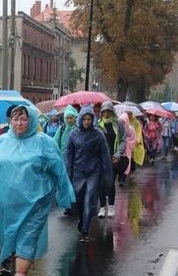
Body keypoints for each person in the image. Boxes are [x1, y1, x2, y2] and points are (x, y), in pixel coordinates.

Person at [0, 103, 75, 276]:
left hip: (35, 203)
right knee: (9, 237)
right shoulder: (0, 143)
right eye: (15, 119)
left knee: (27, 238)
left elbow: (59, 169)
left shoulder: (44, 143)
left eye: (23, 118)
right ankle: (13, 265)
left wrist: (65, 194)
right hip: (4, 205)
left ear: (32, 120)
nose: (18, 123)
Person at [65, 105, 113, 242]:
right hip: (78, 171)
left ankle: (85, 229)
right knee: (77, 200)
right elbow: (69, 155)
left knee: (90, 201)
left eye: (89, 119)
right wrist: (67, 173)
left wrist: (108, 175)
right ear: (80, 119)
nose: (87, 122)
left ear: (93, 119)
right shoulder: (73, 134)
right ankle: (81, 218)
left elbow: (105, 155)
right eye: (84, 119)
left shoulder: (98, 135)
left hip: (93, 172)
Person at [97, 101, 128, 218]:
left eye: (108, 112)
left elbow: (123, 140)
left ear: (112, 112)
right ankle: (102, 207)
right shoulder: (98, 125)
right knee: (101, 183)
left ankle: (111, 206)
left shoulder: (118, 124)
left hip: (113, 158)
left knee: (110, 183)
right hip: (100, 158)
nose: (106, 114)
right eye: (104, 112)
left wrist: (118, 154)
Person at [54, 105, 78, 215]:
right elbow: (55, 143)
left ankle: (75, 204)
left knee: (74, 183)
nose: (69, 120)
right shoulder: (62, 129)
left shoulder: (78, 129)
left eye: (71, 117)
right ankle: (67, 205)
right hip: (63, 160)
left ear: (75, 117)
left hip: (75, 161)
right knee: (64, 183)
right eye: (67, 118)